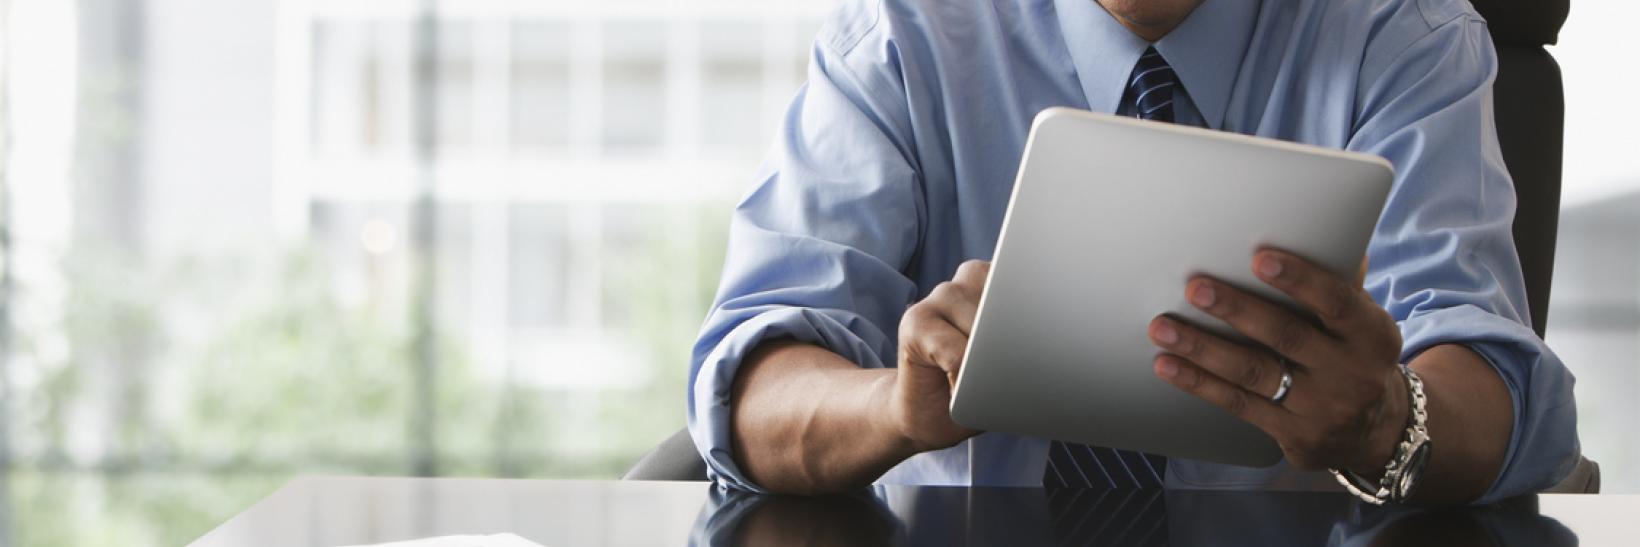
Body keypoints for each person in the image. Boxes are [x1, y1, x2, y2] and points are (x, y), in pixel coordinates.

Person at [686, 0, 1579, 505]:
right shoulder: (902, 35)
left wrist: (1383, 416)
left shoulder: (1405, 34)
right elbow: (752, 383)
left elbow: (1498, 388)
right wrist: (894, 406)